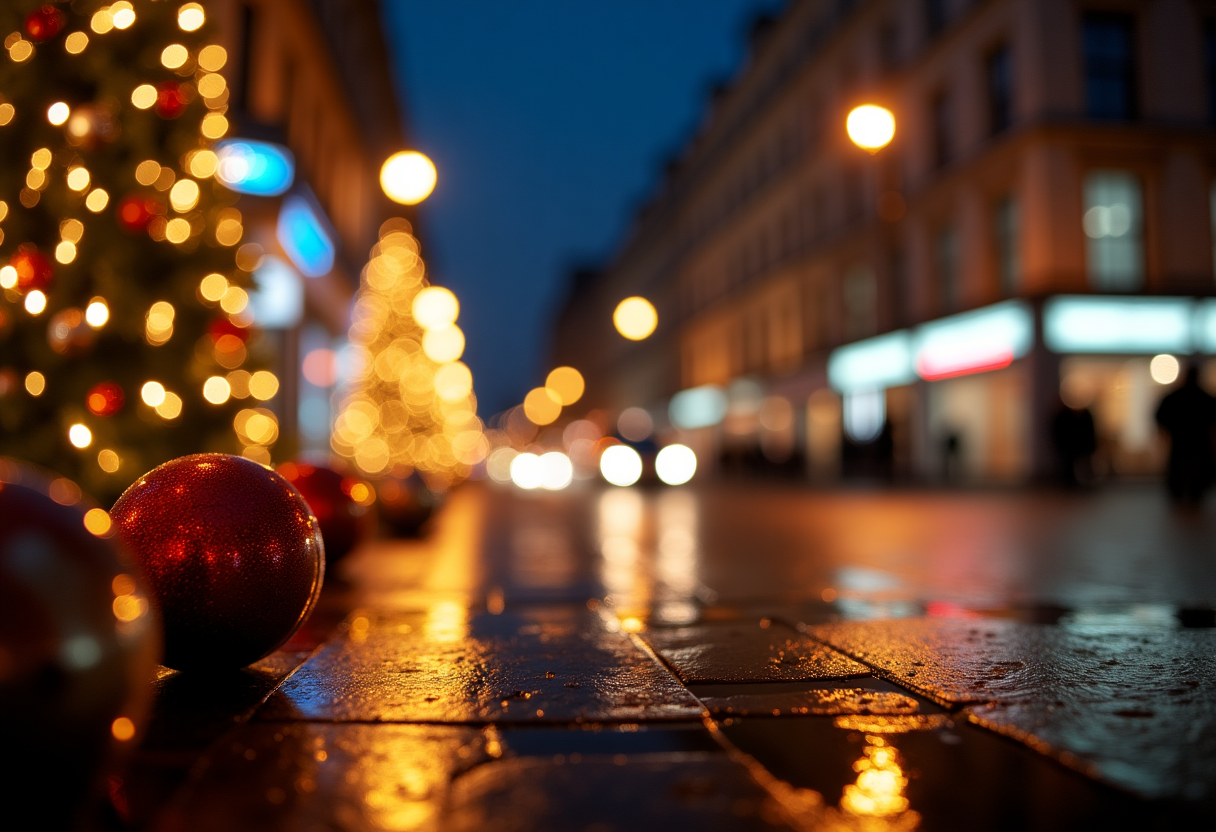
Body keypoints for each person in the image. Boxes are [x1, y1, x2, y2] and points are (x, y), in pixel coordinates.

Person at [1155, 364, 1216, 505]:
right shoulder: (1205, 398)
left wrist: (1168, 431)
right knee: (1192, 467)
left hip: (1182, 440)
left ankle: (1182, 493)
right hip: (1196, 442)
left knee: (1180, 466)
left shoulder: (1174, 398)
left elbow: (1159, 415)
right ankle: (1192, 494)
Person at [1051, 399, 1097, 487]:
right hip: (1071, 446)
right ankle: (1076, 482)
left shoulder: (1063, 417)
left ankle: (1076, 482)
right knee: (1072, 464)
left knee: (1077, 464)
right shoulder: (1065, 417)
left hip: (1071, 446)